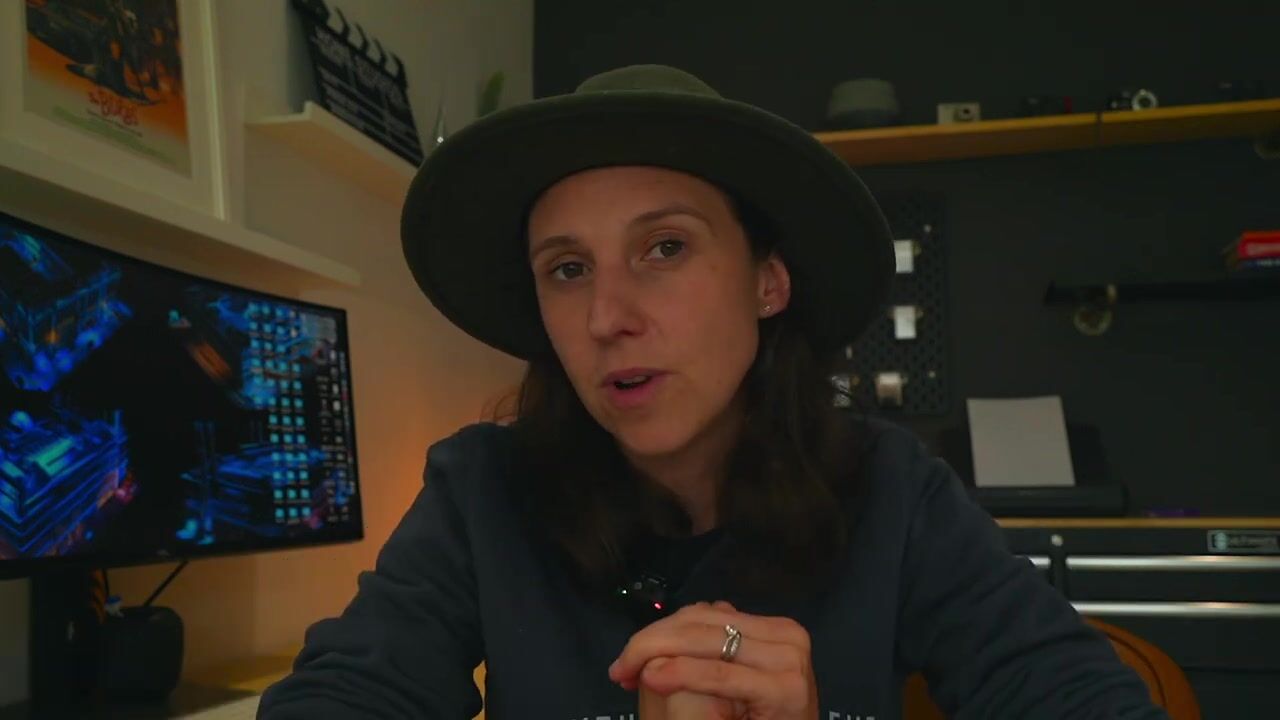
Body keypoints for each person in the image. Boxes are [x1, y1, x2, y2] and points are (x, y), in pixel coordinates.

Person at [257, 65, 1165, 719]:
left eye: (665, 248)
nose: (606, 316)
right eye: (568, 268)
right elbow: (345, 694)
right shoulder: (482, 489)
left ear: (767, 283)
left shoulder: (893, 490)